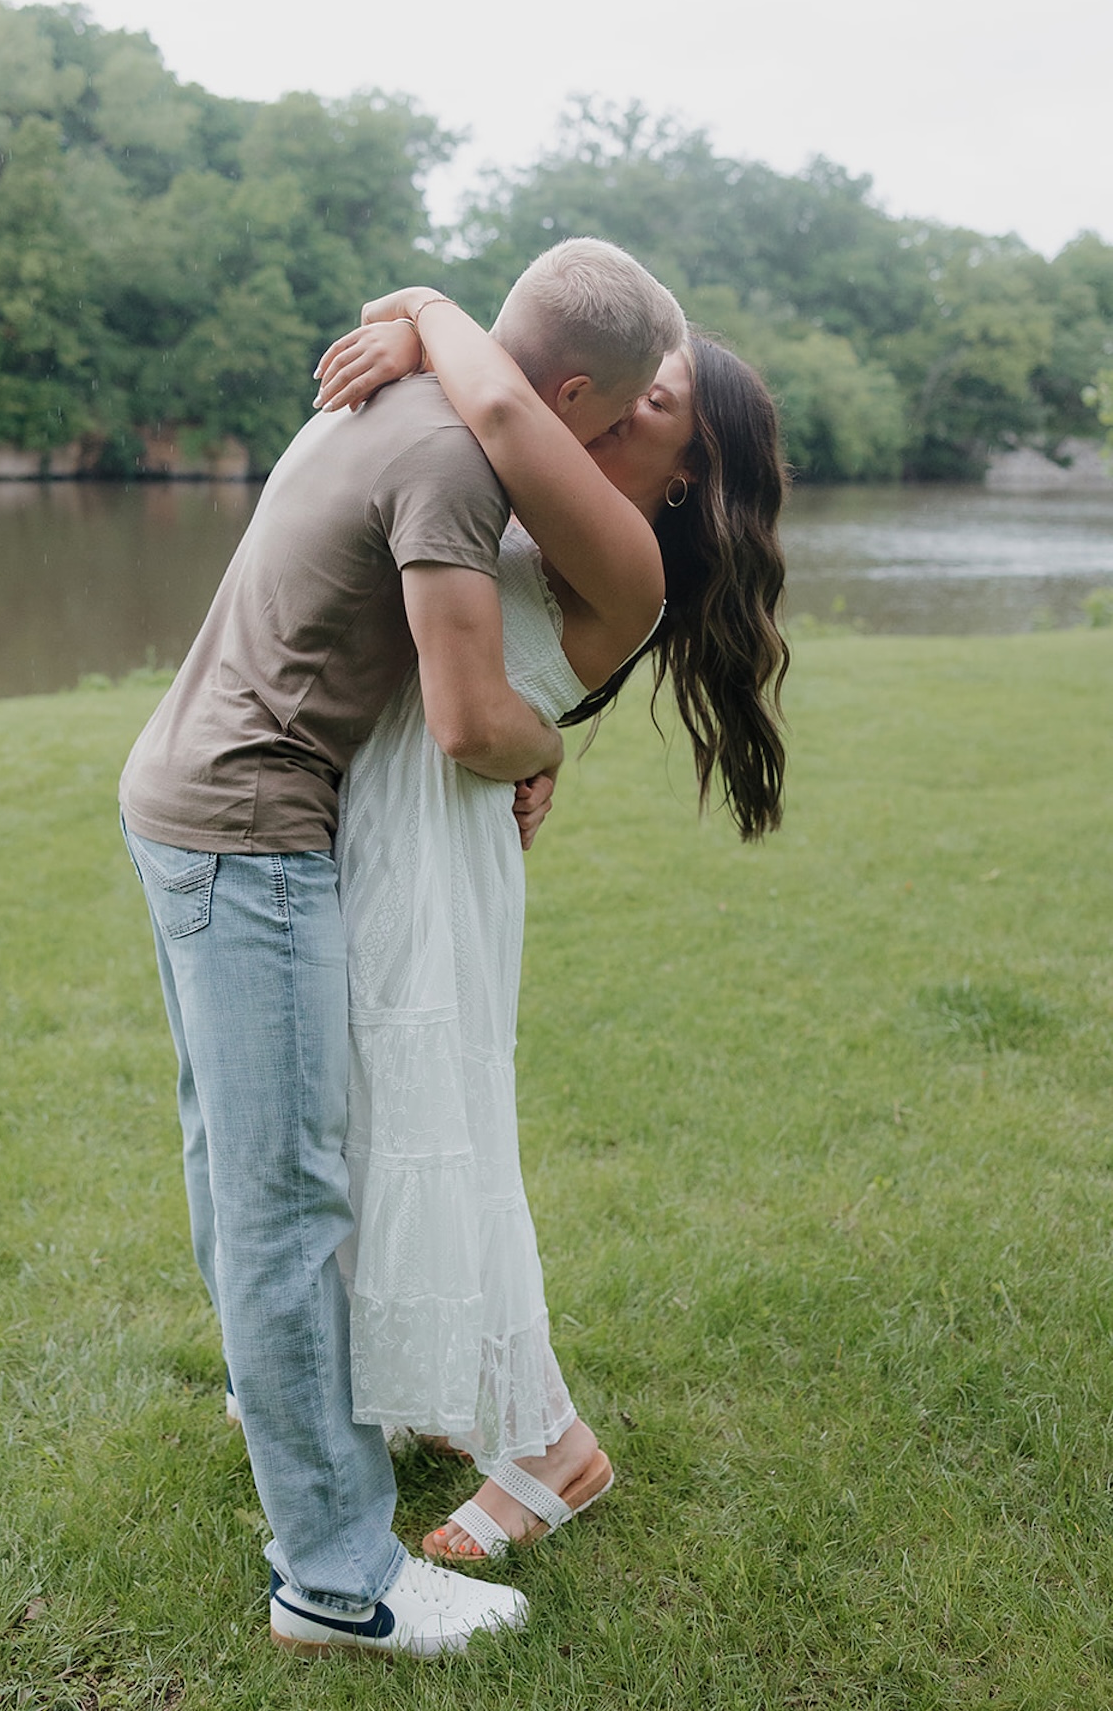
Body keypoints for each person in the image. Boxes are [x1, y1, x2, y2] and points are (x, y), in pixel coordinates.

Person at [117, 239, 686, 1656]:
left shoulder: (390, 399)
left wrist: (423, 314)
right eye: (612, 416)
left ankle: (291, 1413)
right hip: (253, 823)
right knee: (288, 1202)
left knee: (240, 1166)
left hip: (194, 799)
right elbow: (462, 714)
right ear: (568, 388)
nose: (612, 440)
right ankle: (334, 1577)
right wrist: (546, 745)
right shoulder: (452, 458)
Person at [313, 290, 788, 1563]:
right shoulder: (534, 503)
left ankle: (549, 1448)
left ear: (685, 479)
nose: (627, 401)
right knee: (371, 1116)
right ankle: (416, 1391)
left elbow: (509, 396)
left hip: (436, 848)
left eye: (658, 403)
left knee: (442, 1125)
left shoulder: (618, 547)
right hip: (390, 827)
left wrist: (421, 310)